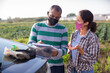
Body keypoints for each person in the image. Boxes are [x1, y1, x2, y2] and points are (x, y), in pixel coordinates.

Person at [28, 5, 68, 73]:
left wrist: (56, 53)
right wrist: (36, 46)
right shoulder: (37, 26)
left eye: (57, 17)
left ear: (60, 17)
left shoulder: (63, 29)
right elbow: (29, 45)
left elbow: (65, 49)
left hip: (57, 66)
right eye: (52, 16)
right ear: (47, 13)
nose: (54, 18)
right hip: (39, 64)